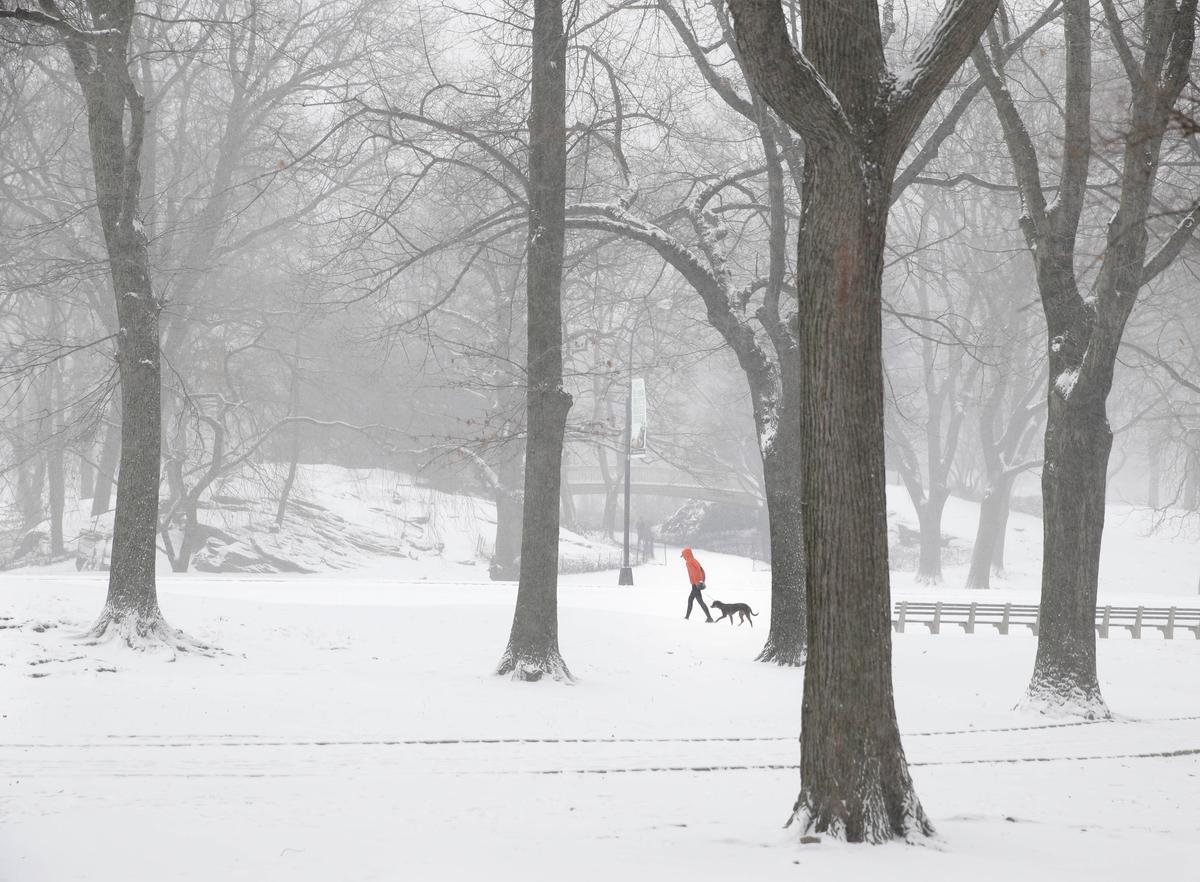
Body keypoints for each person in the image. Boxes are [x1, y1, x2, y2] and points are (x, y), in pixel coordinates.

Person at [681, 547, 713, 622]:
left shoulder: (689, 562)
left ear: (686, 555)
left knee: (699, 601)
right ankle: (687, 617)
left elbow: (696, 573)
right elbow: (702, 570)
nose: (683, 558)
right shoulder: (694, 560)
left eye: (683, 556)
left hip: (696, 584)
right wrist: (702, 581)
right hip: (696, 583)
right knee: (691, 600)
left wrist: (697, 583)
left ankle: (709, 618)